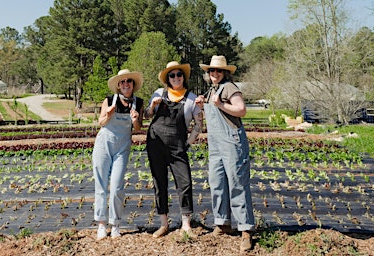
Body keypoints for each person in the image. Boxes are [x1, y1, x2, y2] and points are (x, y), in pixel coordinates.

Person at [198, 55, 255, 252]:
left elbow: (241, 110)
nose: (214, 74)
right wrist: (202, 102)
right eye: (211, 71)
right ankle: (222, 223)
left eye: (218, 71)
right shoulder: (211, 90)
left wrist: (221, 105)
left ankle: (245, 230)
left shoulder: (230, 88)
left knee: (237, 183)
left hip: (232, 141)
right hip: (215, 143)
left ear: (225, 73)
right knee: (217, 182)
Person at [144, 61, 203, 238]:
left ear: (183, 77)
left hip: (178, 146)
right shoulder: (159, 93)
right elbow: (146, 115)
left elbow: (199, 125)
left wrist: (188, 143)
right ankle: (163, 224)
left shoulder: (192, 99)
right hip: (156, 145)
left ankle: (186, 224)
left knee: (185, 182)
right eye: (172, 75)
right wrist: (153, 105)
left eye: (179, 74)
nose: (176, 77)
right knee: (159, 183)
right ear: (167, 79)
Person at [92, 69, 144, 240]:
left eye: (129, 81)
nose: (126, 84)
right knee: (101, 185)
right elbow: (101, 122)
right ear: (118, 86)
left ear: (133, 84)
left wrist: (136, 120)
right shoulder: (108, 100)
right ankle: (101, 224)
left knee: (116, 187)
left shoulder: (139, 102)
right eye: (122, 82)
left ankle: (115, 224)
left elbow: (138, 128)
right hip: (104, 144)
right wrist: (108, 115)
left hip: (123, 147)